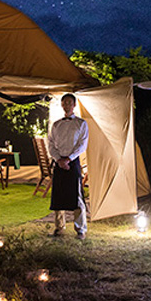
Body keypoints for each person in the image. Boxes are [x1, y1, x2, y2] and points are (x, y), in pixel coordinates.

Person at [48, 93, 88, 239]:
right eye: (64, 103)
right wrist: (59, 159)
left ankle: (80, 229)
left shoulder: (81, 124)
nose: (67, 105)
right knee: (58, 195)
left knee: (77, 196)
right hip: (59, 162)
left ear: (74, 105)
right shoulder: (56, 124)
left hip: (73, 162)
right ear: (62, 105)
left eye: (69, 102)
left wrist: (69, 159)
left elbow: (82, 145)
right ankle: (59, 228)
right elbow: (51, 144)